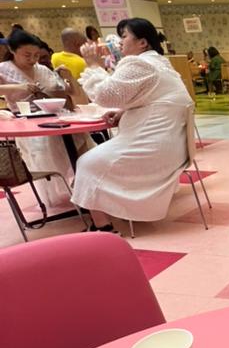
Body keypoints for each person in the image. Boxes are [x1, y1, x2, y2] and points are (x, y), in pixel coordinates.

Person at [71, 17, 193, 230]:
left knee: (86, 163)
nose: (119, 42)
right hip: (174, 147)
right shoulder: (159, 63)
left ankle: (102, 226)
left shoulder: (139, 63)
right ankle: (114, 210)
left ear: (143, 43)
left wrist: (92, 65)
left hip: (153, 148)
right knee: (93, 160)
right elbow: (152, 98)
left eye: (124, 36)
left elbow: (105, 95)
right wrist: (124, 111)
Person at [0, 28, 85, 204]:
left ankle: (82, 183)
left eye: (36, 55)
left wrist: (68, 79)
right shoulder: (4, 69)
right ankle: (69, 187)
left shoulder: (42, 70)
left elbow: (65, 91)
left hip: (51, 118)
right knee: (47, 143)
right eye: (27, 55)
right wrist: (19, 87)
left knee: (81, 137)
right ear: (13, 51)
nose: (33, 60)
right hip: (25, 122)